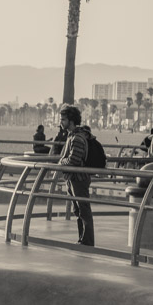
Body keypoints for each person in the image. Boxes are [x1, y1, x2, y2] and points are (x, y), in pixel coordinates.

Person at [57, 105, 95, 247]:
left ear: (71, 121)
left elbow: (73, 160)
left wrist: (61, 161)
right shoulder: (71, 136)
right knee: (78, 210)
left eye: (63, 119)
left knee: (83, 210)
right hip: (73, 179)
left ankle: (87, 241)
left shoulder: (77, 138)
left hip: (79, 179)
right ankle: (82, 239)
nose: (61, 122)